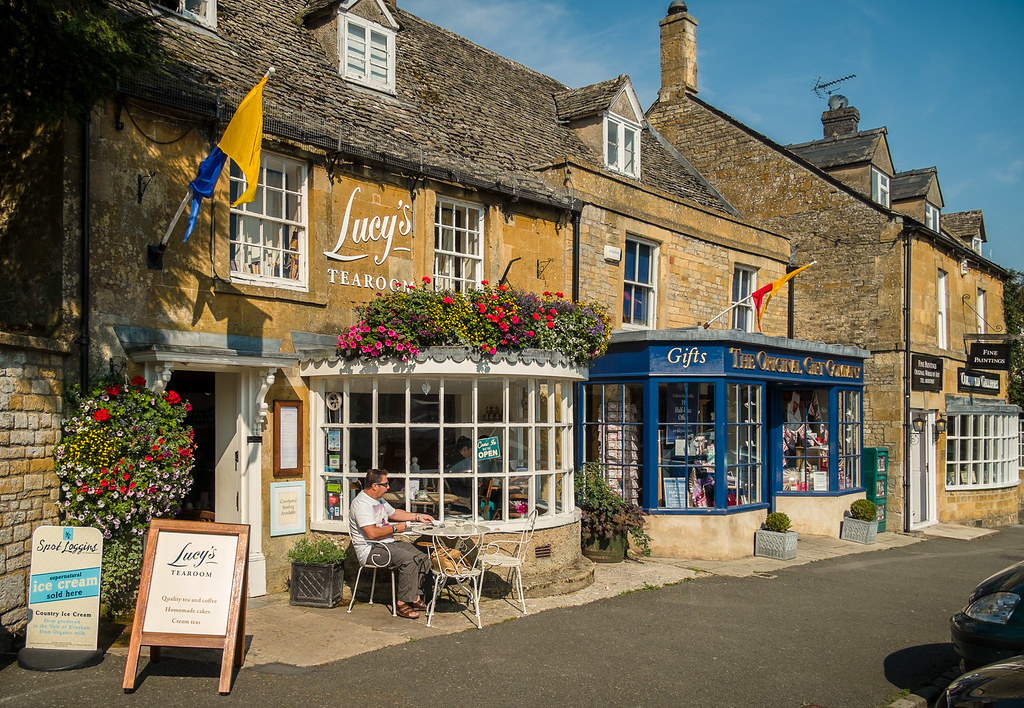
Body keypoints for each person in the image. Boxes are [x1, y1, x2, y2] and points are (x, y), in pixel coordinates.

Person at [349, 469, 435, 619]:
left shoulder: (379, 499)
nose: (388, 487)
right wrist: (395, 529)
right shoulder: (361, 504)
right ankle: (402, 603)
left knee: (424, 555)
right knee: (409, 560)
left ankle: (415, 597)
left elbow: (394, 513)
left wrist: (418, 516)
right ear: (375, 486)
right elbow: (371, 533)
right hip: (371, 549)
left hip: (388, 543)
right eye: (385, 484)